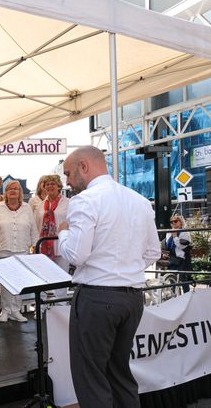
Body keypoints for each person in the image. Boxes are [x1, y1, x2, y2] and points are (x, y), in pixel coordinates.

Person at [57, 146, 160, 408]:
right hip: (133, 298)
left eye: (68, 173)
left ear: (84, 166)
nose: (67, 181)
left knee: (91, 379)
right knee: (120, 373)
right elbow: (152, 252)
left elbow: (76, 255)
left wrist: (63, 234)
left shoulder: (85, 200)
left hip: (96, 299)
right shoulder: (139, 200)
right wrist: (125, 267)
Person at [0, 179, 37, 322]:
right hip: (3, 249)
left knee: (19, 281)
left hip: (22, 249)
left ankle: (16, 310)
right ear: (6, 192)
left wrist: (36, 247)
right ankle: (6, 310)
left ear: (20, 192)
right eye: (10, 189)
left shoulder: (27, 208)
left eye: (16, 189)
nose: (13, 191)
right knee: (5, 283)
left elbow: (33, 229)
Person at [34, 174, 70, 301]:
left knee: (62, 276)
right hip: (44, 246)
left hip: (60, 245)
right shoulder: (40, 205)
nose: (50, 186)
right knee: (43, 276)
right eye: (47, 184)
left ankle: (61, 304)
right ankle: (42, 305)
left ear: (59, 186)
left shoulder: (68, 203)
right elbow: (36, 224)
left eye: (52, 184)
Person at [164, 214, 191, 293]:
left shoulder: (184, 233)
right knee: (172, 281)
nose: (173, 223)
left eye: (175, 221)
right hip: (171, 260)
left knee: (183, 281)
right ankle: (175, 298)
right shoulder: (168, 233)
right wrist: (165, 254)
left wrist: (175, 237)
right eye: (171, 222)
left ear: (181, 222)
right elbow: (167, 246)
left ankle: (187, 297)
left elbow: (183, 247)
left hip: (181, 260)